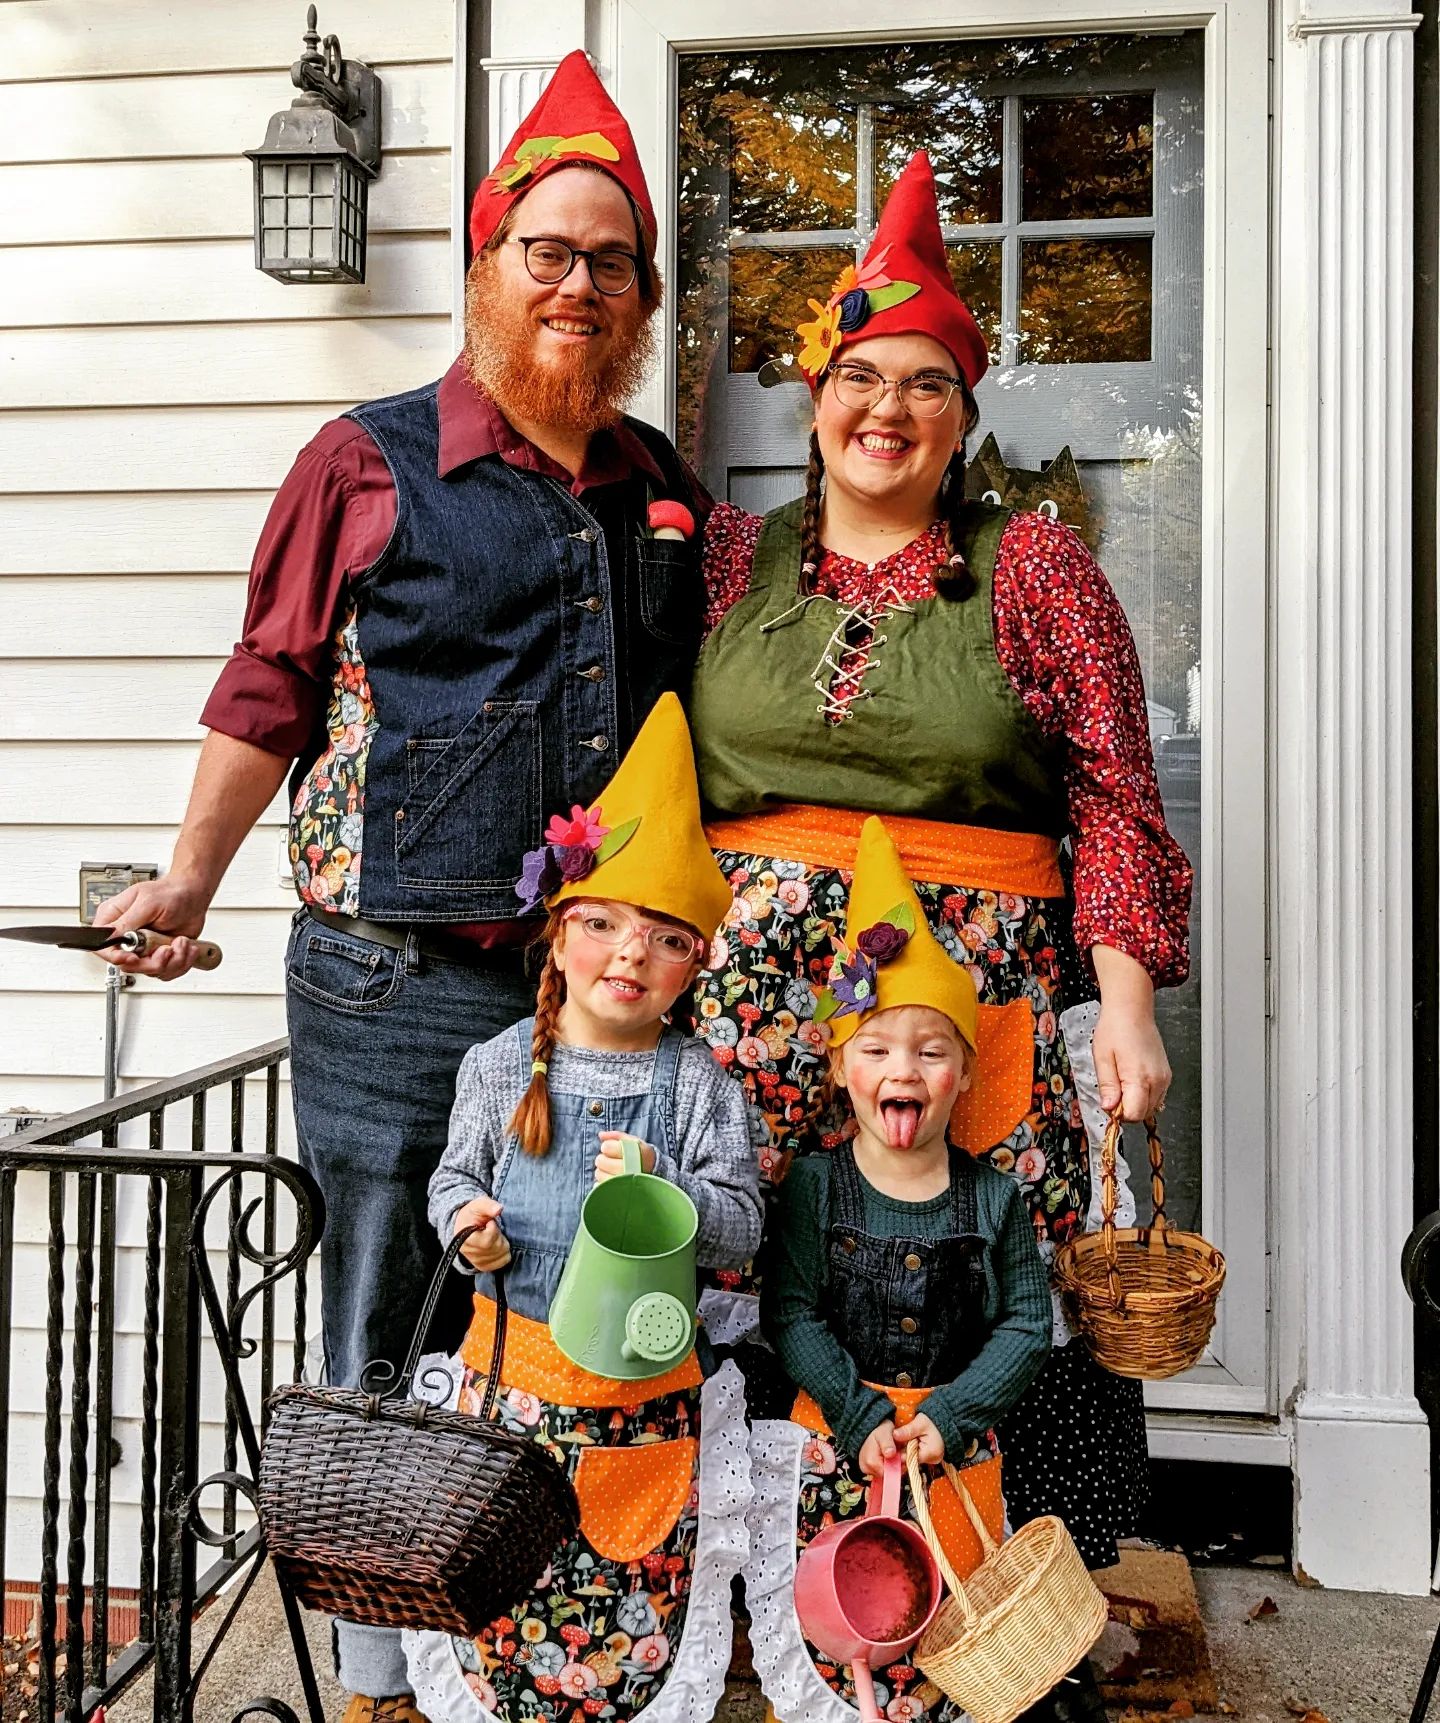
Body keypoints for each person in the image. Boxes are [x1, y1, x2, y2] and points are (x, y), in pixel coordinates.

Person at [94, 53, 708, 1721]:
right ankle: (376, 1668)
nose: (580, 285)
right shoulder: (364, 460)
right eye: (550, 251)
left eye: (614, 261)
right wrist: (184, 878)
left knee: (573, 1307)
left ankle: (533, 1642)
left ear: (645, 294)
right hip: (390, 974)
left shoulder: (662, 491)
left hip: (599, 993)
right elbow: (268, 684)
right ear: (490, 260)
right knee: (383, 1317)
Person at [690, 150, 1193, 1574]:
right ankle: (768, 1571)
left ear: (963, 416)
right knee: (758, 1258)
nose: (888, 409)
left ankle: (1018, 1572)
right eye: (862, 376)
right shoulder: (734, 557)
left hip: (974, 988)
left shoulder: (1032, 563)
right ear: (817, 397)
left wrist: (1130, 1004)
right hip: (760, 996)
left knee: (994, 1252)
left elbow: (1111, 789)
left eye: (925, 384)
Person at [404, 693, 763, 1723]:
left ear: (691, 967)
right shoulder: (500, 1063)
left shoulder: (699, 1086)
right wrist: (467, 1223)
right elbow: (450, 1180)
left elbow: (742, 1230)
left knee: (627, 1610)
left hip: (640, 1408)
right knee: (505, 1611)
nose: (628, 954)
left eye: (662, 939)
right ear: (555, 942)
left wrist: (667, 1186)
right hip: (507, 1391)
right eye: (600, 924)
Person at [747, 816, 1103, 1723]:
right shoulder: (816, 1188)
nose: (902, 1067)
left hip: (951, 1453)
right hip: (838, 1445)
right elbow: (790, 1313)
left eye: (930, 1050)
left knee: (946, 1632)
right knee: (840, 1629)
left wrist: (951, 1415)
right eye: (875, 1048)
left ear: (963, 1072)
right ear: (840, 1067)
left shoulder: (990, 1198)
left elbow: (1027, 1323)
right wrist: (860, 1412)